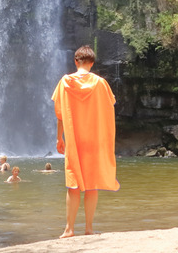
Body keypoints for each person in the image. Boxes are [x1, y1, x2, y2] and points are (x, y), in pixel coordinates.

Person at [53, 45, 119, 238]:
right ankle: (89, 228)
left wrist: (59, 138)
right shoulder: (101, 83)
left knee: (73, 185)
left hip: (74, 140)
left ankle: (69, 229)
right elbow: (109, 107)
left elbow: (60, 115)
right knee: (91, 185)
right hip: (95, 141)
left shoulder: (65, 82)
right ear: (92, 63)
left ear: (76, 61)